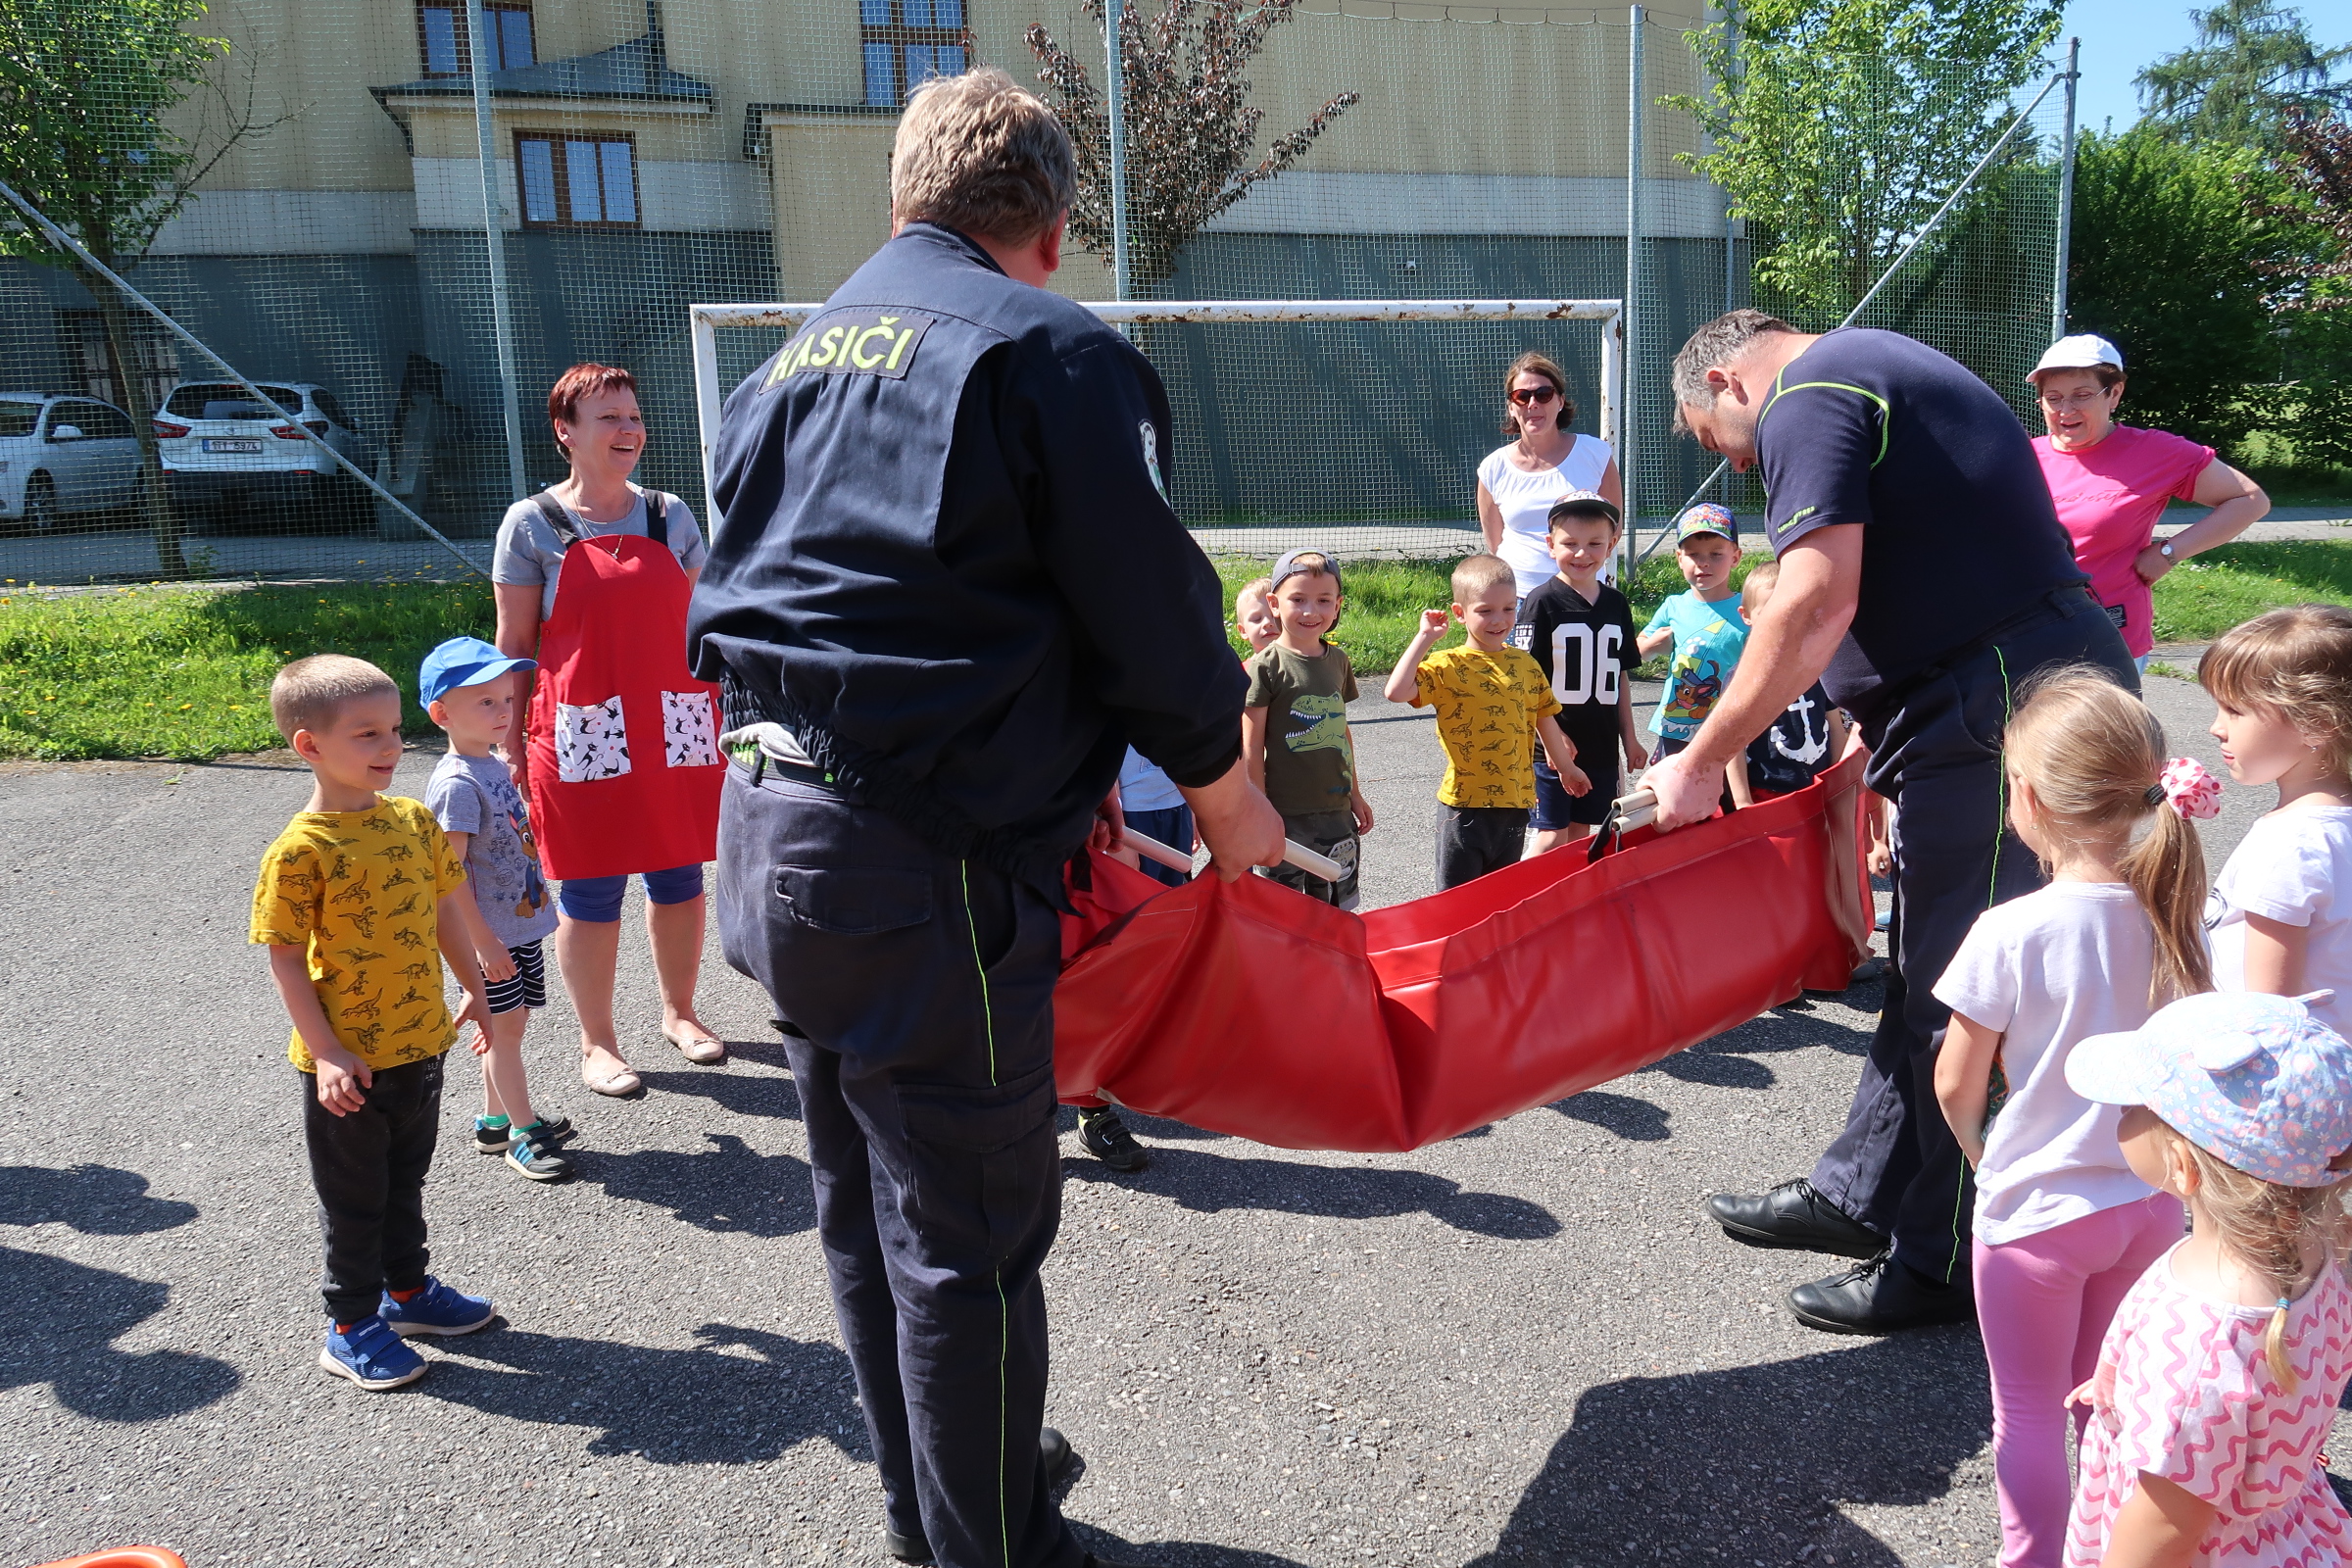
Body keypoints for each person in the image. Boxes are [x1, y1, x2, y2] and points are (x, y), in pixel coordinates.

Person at [686, 68, 1285, 1568]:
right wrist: (1228, 801)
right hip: (924, 873)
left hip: (772, 833)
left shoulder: (786, 365)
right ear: (1055, 230)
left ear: (901, 203)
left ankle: (941, 1514)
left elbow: (848, 604)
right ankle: (995, 1546)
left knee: (868, 1218)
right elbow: (1150, 619)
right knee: (969, 1248)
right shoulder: (1049, 351)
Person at [1658, 309, 2135, 1335]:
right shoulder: (1869, 367)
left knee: (1974, 993)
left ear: (1727, 383)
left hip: (2001, 698)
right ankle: (1863, 1193)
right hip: (1985, 690)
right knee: (1927, 971)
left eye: (1713, 441)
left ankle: (1949, 1255)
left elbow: (1814, 598)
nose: (1736, 465)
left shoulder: (1807, 391)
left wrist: (1698, 762)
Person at [1928, 672, 2211, 1568]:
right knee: (2110, 1403)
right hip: (2150, 1207)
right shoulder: (2179, 917)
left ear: (2030, 798)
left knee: (2028, 1412)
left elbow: (1954, 1083)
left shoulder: (2011, 930)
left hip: (2037, 1217)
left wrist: (1983, 1153)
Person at [249, 655, 496, 1390]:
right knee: (355, 1201)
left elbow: (445, 909)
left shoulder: (413, 821)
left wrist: (477, 987)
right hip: (348, 1065)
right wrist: (325, 1051)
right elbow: (286, 961)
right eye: (367, 734)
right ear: (310, 745)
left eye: (393, 729)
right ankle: (350, 1326)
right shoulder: (301, 851)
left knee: (404, 1182)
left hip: (422, 1042)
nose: (391, 746)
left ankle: (408, 1294)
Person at [492, 363, 728, 1099]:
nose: (628, 430)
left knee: (679, 873)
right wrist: (508, 745)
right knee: (591, 886)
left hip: (676, 721)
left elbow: (705, 622)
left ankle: (680, 1013)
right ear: (565, 432)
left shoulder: (669, 514)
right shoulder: (531, 523)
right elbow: (515, 644)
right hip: (580, 727)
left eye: (633, 416)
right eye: (608, 418)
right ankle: (597, 1042)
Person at [2061, 991, 2352, 1567]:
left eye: (2135, 1106)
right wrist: (2133, 1383)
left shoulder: (2201, 1346)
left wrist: (2168, 1403)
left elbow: (2161, 1534)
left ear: (2183, 1165)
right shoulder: (2319, 1251)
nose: (2121, 1114)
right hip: (2286, 1532)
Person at [419, 636, 576, 1183]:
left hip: (516, 927)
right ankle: (524, 1134)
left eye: (506, 699)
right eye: (485, 702)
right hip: (493, 938)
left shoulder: (487, 764)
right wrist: (482, 944)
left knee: (510, 1027)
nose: (503, 711)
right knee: (505, 1033)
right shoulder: (457, 783)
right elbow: (448, 875)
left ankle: (494, 1123)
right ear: (442, 714)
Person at [2029, 334, 2269, 674]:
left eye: (2082, 395)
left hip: (2108, 637)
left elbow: (2249, 500)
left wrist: (2169, 553)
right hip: (2028, 634)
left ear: (2114, 393)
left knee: (2107, 714)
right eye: (2053, 398)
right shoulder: (2021, 456)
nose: (2066, 410)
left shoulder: (2155, 452)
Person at [1382, 552, 1584, 888]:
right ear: (1460, 613)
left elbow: (1544, 718)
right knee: (1456, 899)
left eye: (1508, 608)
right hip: (1465, 806)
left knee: (1497, 895)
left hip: (1515, 803)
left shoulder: (1525, 665)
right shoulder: (1447, 664)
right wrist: (1425, 638)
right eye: (1485, 611)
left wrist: (1566, 767)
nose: (1498, 620)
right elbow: (1396, 692)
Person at [2198, 605, 2352, 1036]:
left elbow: (2271, 1016)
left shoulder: (2289, 845)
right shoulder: (2334, 828)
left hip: (2271, 1067)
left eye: (2234, 710)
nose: (2216, 728)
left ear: (2317, 723)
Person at [1244, 550, 1375, 908]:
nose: (1310, 611)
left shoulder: (1339, 661)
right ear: (1274, 604)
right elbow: (1251, 745)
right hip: (1283, 816)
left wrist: (1355, 794)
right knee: (1281, 911)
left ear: (1337, 605)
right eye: (1298, 599)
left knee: (1337, 908)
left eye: (1323, 601)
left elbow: (1341, 732)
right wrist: (1259, 809)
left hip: (1336, 812)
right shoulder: (1265, 666)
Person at [1513, 492, 1643, 852]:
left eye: (1594, 544)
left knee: (1581, 836)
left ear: (1612, 544)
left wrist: (1629, 738)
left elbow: (1619, 676)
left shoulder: (1616, 603)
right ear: (1550, 545)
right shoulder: (1542, 601)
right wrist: (1552, 740)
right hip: (1552, 748)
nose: (1582, 553)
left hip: (1600, 747)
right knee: (1551, 837)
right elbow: (1526, 681)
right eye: (1570, 543)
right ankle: (1522, 888)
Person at [1475, 351, 1624, 599]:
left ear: (1560, 401)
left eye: (1543, 394)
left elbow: (1613, 528)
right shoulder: (1493, 468)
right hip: (1518, 599)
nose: (1533, 403)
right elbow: (1495, 544)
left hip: (1582, 595)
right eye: (1522, 396)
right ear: (1511, 407)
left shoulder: (1595, 454)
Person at [1636, 505, 1748, 808]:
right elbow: (1636, 653)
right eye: (1694, 554)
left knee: (1725, 805)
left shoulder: (1746, 608)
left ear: (1735, 557)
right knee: (1674, 803)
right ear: (1679, 558)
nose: (1704, 563)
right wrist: (1655, 645)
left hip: (1728, 731)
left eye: (1716, 554)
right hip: (1676, 726)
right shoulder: (1674, 606)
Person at [1731, 560, 1845, 807]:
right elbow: (1731, 745)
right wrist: (1742, 801)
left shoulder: (1818, 669)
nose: (1781, 622)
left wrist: (1838, 781)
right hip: (1766, 791)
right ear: (1746, 616)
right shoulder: (1742, 678)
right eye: (1769, 613)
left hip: (1818, 788)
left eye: (1792, 612)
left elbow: (1835, 726)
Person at [1234, 575, 1278, 655]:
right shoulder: (1245, 664)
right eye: (1256, 619)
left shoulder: (1301, 661)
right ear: (1243, 631)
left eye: (1275, 616)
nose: (1267, 622)